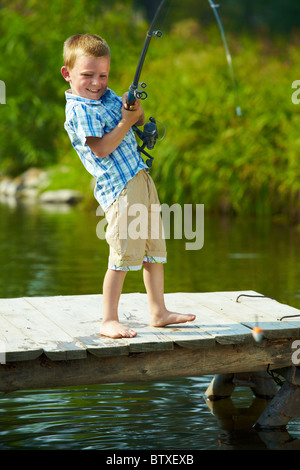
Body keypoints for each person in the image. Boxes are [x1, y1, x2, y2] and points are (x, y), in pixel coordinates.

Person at [61, 33, 195, 338]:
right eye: (87, 75)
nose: (96, 82)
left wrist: (133, 110)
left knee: (153, 250)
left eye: (103, 75)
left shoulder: (107, 96)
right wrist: (124, 122)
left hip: (140, 178)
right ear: (68, 74)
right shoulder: (80, 110)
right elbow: (102, 149)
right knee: (121, 255)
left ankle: (158, 311)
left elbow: (137, 120)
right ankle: (108, 319)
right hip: (119, 190)